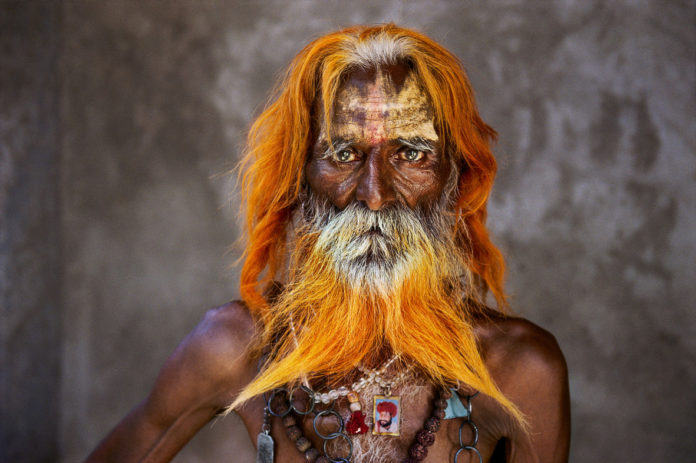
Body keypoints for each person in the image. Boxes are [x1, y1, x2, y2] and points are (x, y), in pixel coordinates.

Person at [86, 24, 570, 462]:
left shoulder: (519, 371)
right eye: (343, 153)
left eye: (411, 153)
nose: (374, 196)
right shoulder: (235, 347)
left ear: (453, 182)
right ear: (299, 180)